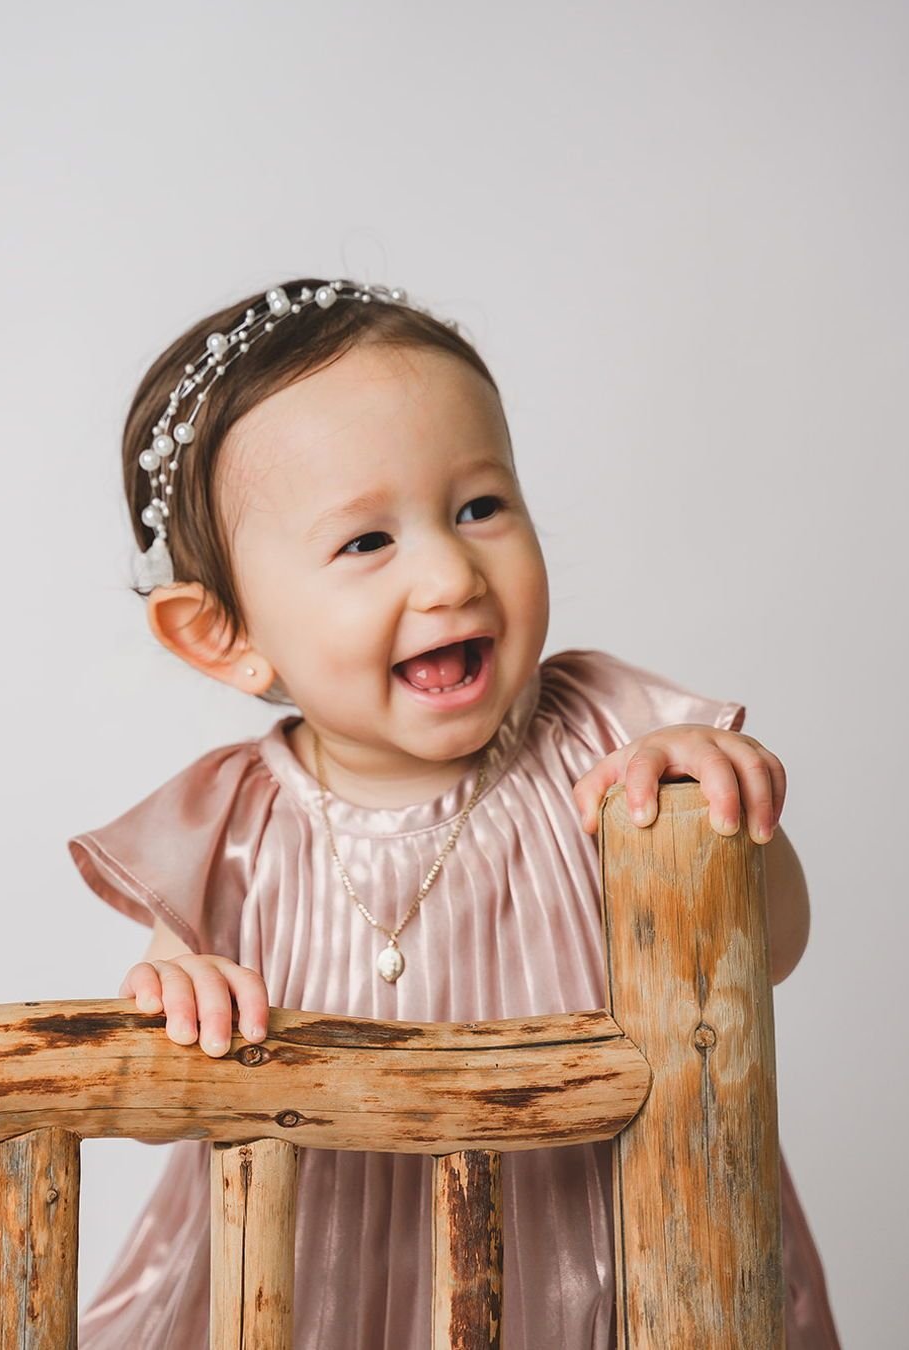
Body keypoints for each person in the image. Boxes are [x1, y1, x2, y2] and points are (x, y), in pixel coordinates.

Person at [68, 278, 841, 1348]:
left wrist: (709, 807)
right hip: (309, 1287)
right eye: (366, 544)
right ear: (225, 633)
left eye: (480, 507)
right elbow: (165, 1081)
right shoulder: (233, 827)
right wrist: (173, 993)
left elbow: (774, 947)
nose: (448, 572)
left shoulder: (606, 748)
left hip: (601, 1280)